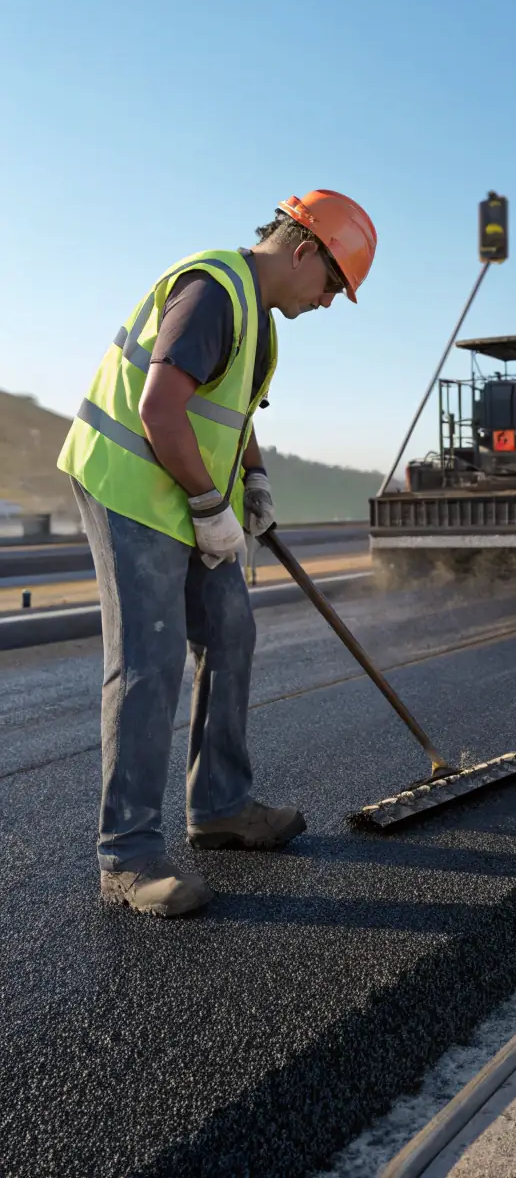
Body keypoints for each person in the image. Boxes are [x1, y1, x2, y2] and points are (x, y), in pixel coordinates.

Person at [57, 189, 377, 917]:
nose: (331, 301)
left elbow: (226, 414)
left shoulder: (258, 322)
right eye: (333, 283)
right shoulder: (213, 293)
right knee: (152, 655)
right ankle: (128, 856)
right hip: (131, 486)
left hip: (184, 488)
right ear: (302, 251)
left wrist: (253, 478)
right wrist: (209, 505)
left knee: (232, 628)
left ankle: (222, 805)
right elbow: (160, 410)